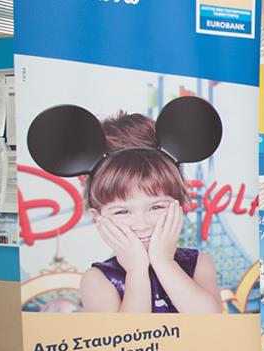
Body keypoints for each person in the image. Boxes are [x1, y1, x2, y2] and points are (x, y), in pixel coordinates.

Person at [78, 112, 221, 314]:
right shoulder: (97, 279)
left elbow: (211, 321)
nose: (142, 224)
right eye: (122, 211)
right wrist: (136, 271)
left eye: (156, 207)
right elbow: (125, 334)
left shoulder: (198, 264)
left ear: (179, 205)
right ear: (97, 218)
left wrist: (164, 261)